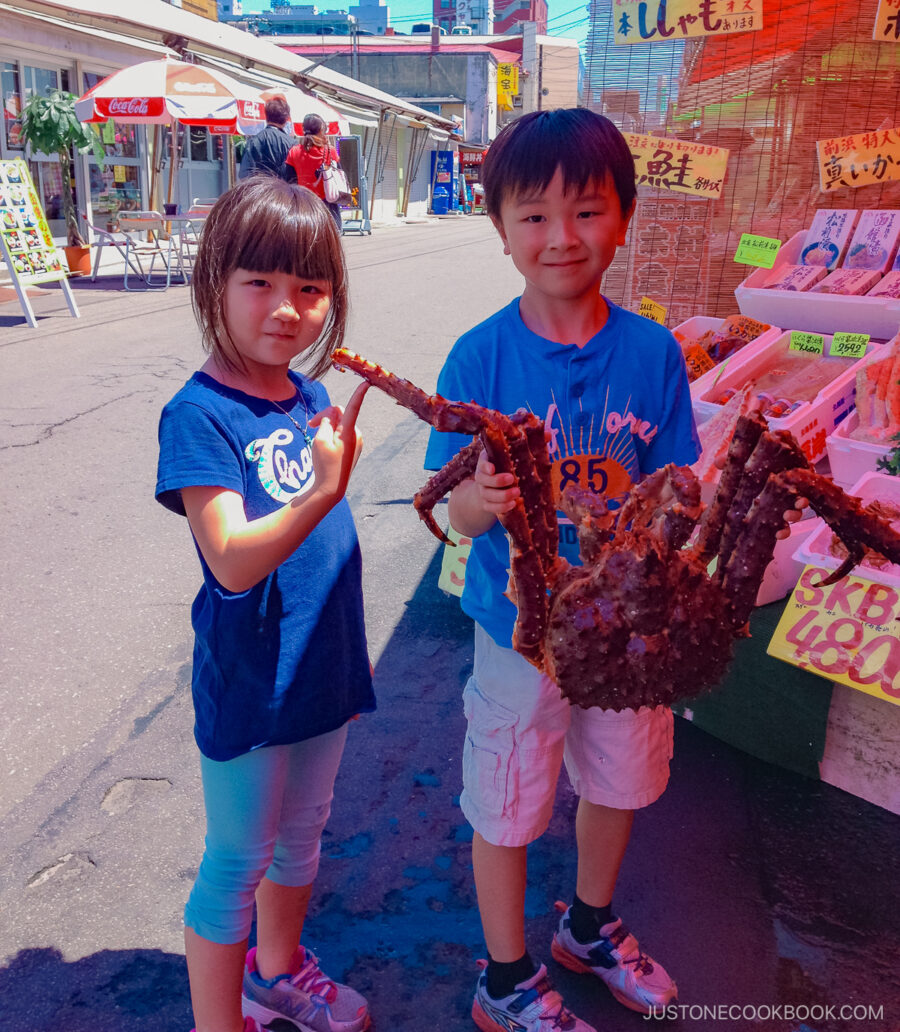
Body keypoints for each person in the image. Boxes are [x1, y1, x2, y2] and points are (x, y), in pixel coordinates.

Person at [423, 108, 701, 1032]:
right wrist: (479, 502)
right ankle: (504, 976)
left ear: (622, 216)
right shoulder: (479, 356)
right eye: (533, 215)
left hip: (627, 633)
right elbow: (446, 509)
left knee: (619, 778)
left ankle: (588, 925)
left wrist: (669, 537)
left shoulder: (655, 352)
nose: (560, 237)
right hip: (519, 634)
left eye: (585, 211)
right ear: (500, 228)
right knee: (506, 798)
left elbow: (681, 481)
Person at [155, 176, 374, 1032]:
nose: (286, 308)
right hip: (253, 680)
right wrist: (323, 493)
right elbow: (233, 562)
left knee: (303, 836)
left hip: (324, 664)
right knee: (238, 859)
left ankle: (277, 970)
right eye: (261, 283)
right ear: (215, 284)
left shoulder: (310, 394)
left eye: (310, 289)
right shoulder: (200, 414)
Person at [284, 113, 343, 233]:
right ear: (321, 130)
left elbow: (289, 180)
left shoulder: (294, 152)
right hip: (328, 205)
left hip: (304, 206)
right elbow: (340, 175)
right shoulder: (330, 151)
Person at [238, 97, 295, 180]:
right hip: (284, 191)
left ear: (266, 116)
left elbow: (244, 174)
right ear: (286, 119)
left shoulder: (253, 141)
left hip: (260, 191)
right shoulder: (292, 144)